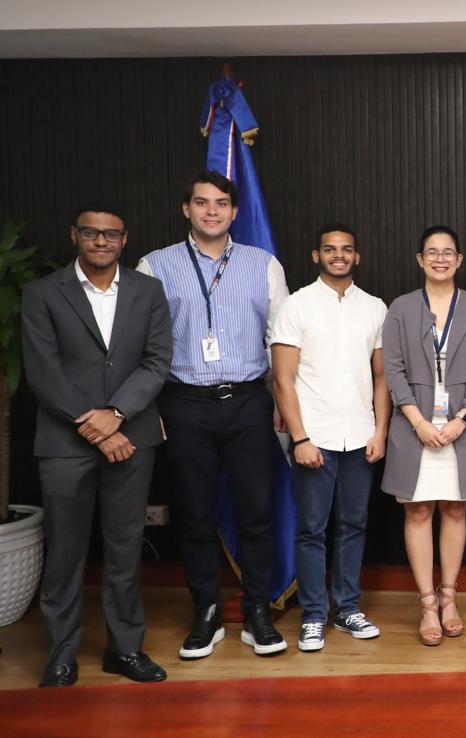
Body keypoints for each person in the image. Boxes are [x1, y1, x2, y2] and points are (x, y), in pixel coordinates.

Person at [138, 170, 290, 658]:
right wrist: (150, 408)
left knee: (257, 512)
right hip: (183, 405)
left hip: (247, 401)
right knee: (195, 514)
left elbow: (281, 342)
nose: (211, 211)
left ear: (234, 211)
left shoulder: (262, 263)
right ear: (186, 209)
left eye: (221, 203)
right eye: (201, 203)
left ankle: (258, 611)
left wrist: (283, 406)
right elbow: (138, 343)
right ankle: (205, 610)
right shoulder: (154, 265)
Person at [23, 203, 173, 687]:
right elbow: (43, 370)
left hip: (132, 437)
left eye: (111, 234)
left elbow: (157, 361)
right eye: (92, 233)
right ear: (75, 236)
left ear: (124, 239)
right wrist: (94, 425)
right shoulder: (43, 293)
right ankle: (61, 656)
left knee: (125, 547)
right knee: (65, 553)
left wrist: (117, 417)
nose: (101, 241)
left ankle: (125, 651)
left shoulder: (148, 291)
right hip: (65, 442)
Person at [271, 223, 390, 652]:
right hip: (314, 437)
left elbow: (381, 378)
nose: (338, 255)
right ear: (315, 256)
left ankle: (346, 608)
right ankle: (314, 615)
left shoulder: (375, 307)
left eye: (346, 250)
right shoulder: (296, 306)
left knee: (354, 526)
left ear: (356, 257)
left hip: (361, 437)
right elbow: (282, 380)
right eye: (329, 249)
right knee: (311, 530)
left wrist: (380, 430)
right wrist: (300, 438)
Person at [381, 226, 466, 645]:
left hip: (461, 426)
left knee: (456, 509)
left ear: (459, 259)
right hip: (415, 426)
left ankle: (450, 597)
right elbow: (392, 370)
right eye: (432, 252)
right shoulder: (401, 308)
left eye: (448, 252)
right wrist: (419, 422)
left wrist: (461, 419)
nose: (440, 259)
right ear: (420, 259)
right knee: (417, 511)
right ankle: (427, 602)